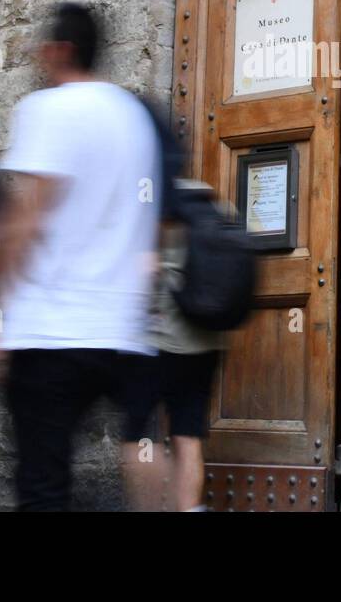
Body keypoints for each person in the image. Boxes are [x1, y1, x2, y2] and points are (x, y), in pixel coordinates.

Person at [0, 2, 160, 511]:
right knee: (140, 449)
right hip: (124, 329)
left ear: (60, 50)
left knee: (43, 484)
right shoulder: (136, 116)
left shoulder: (47, 109)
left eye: (41, 46)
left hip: (52, 332)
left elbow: (24, 222)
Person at [123, 186, 227, 511]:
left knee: (137, 436)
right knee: (188, 433)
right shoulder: (222, 212)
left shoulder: (160, 209)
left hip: (161, 340)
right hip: (207, 343)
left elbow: (144, 268)